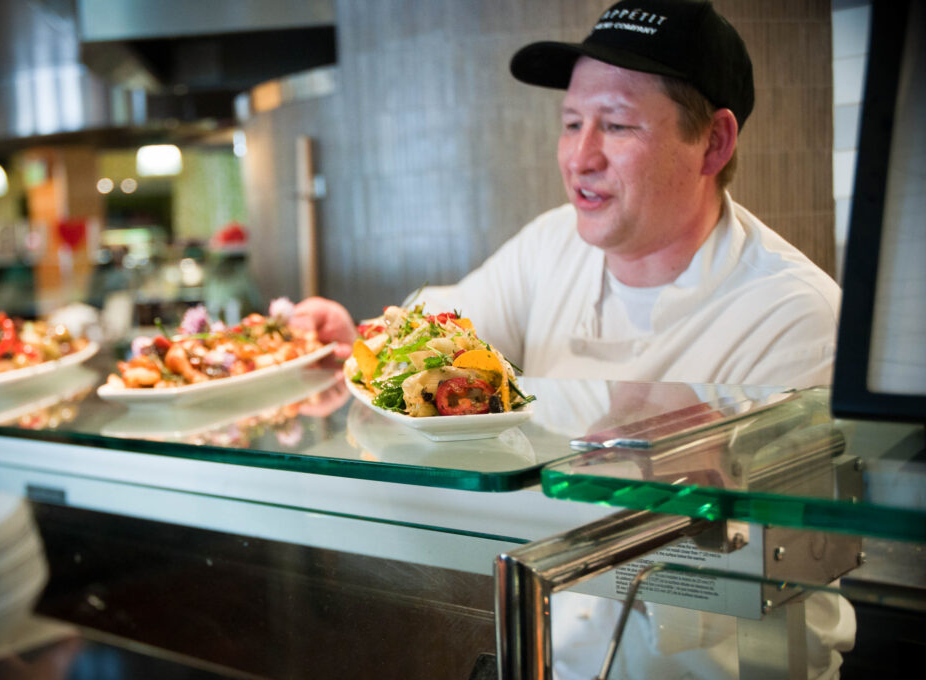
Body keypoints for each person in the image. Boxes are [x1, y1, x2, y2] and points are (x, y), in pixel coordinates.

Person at [294, 0, 851, 677]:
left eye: (615, 125)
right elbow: (444, 338)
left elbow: (772, 577)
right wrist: (358, 340)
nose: (580, 157)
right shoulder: (554, 243)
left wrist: (659, 486)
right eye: (570, 123)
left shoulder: (795, 316)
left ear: (714, 143)